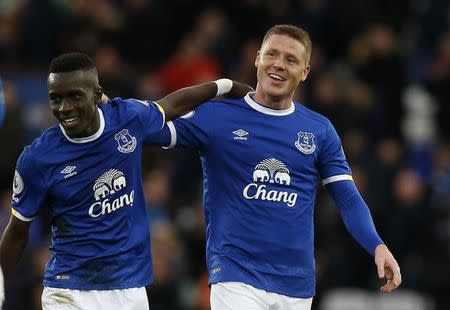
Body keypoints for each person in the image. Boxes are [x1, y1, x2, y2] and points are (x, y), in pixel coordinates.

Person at [146, 24, 402, 309]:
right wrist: (220, 86)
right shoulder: (217, 117)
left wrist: (377, 245)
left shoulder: (319, 131)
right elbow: (148, 127)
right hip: (236, 277)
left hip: (296, 285)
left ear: (305, 72)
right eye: (272, 54)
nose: (278, 65)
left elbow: (347, 197)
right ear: (257, 58)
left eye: (291, 59)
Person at [0, 52, 251, 309]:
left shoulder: (127, 118)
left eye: (75, 96)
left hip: (129, 290)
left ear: (97, 95)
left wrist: (225, 86)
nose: (64, 108)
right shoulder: (37, 159)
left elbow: (172, 104)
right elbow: (18, 231)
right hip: (69, 289)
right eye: (56, 98)